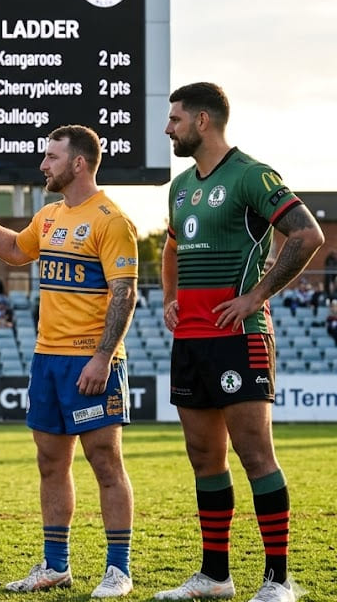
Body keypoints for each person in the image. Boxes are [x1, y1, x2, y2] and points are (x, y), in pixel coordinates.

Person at [0, 125, 139, 598]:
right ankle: (56, 565)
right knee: (51, 464)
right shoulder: (50, 214)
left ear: (77, 163)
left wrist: (102, 357)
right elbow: (14, 250)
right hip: (46, 359)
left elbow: (124, 292)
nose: (43, 165)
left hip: (91, 362)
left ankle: (118, 569)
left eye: (51, 157)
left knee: (105, 462)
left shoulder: (112, 219)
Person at [155, 82, 324, 602]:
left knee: (255, 455)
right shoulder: (180, 186)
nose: (168, 128)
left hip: (239, 338)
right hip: (191, 341)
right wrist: (169, 297)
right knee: (204, 457)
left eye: (175, 119)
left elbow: (308, 235)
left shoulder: (252, 175)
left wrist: (254, 297)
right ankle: (215, 576)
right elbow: (171, 247)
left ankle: (279, 580)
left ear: (202, 121)